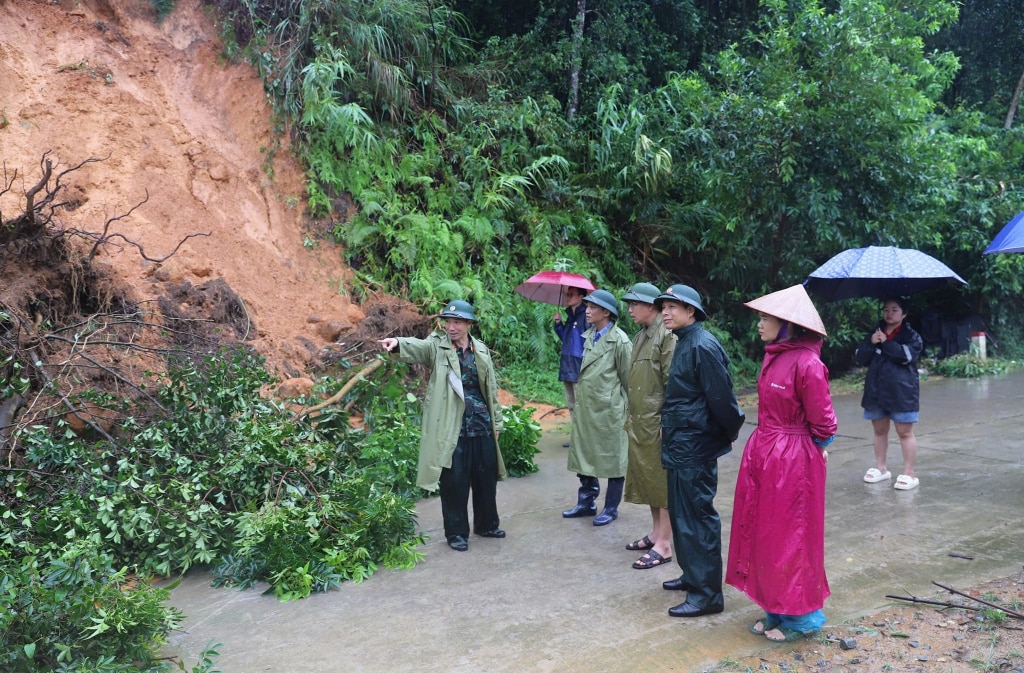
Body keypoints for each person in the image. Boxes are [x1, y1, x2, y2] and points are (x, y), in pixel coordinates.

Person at [726, 284, 838, 642]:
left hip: (794, 460)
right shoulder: (774, 354)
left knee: (795, 536)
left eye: (765, 318)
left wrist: (819, 446)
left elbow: (824, 422)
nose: (759, 324)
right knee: (766, 533)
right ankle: (775, 608)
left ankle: (802, 618)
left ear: (787, 324)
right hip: (766, 450)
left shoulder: (809, 363)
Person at [377, 300, 506, 552]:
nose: (452, 326)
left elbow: (490, 389)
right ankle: (456, 533)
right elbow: (419, 347)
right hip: (452, 428)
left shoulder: (480, 349)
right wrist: (398, 344)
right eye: (448, 321)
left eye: (457, 322)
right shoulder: (438, 347)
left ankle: (487, 524)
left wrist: (497, 421)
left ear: (469, 324)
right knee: (454, 483)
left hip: (480, 423)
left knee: (485, 479)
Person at [655, 284, 744, 618]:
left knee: (697, 518)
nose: (665, 312)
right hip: (682, 445)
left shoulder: (702, 345)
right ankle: (693, 576)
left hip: (695, 446)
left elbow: (722, 399)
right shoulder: (684, 342)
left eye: (673, 307)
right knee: (681, 516)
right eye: (663, 306)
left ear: (691, 311)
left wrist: (728, 431)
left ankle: (707, 595)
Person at [561, 289, 632, 526]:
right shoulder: (588, 335)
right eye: (587, 307)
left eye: (592, 308)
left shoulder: (620, 340)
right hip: (587, 409)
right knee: (585, 455)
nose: (587, 311)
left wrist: (628, 414)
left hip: (610, 411)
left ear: (606, 312)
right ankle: (586, 502)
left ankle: (610, 508)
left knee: (614, 459)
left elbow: (628, 380)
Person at [620, 282, 677, 569]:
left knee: (661, 483)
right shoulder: (642, 335)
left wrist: (667, 421)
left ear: (651, 306)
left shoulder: (665, 336)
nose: (630, 309)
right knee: (648, 481)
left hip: (657, 423)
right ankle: (656, 532)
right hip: (641, 422)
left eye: (634, 303)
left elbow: (672, 383)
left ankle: (665, 543)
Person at [855, 297, 923, 491]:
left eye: (894, 310)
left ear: (904, 314)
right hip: (876, 389)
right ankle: (881, 468)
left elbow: (907, 356)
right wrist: (871, 342)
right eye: (886, 309)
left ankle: (909, 473)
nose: (889, 313)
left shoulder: (911, 335)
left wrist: (885, 344)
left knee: (904, 432)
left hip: (902, 390)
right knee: (879, 430)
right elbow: (861, 357)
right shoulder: (876, 333)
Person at [554, 285, 589, 446]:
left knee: (581, 405)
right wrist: (559, 325)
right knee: (571, 404)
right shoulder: (571, 316)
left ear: (581, 297)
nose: (567, 297)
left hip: (579, 366)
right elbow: (567, 340)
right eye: (567, 294)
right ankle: (577, 437)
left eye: (571, 294)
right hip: (567, 365)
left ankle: (583, 438)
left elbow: (587, 343)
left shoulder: (586, 317)